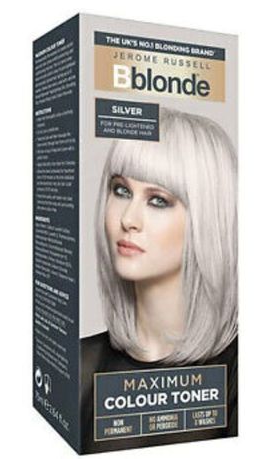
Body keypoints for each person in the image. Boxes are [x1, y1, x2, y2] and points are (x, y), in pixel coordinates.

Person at [81, 108, 238, 452]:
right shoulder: (79, 366)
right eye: (121, 190)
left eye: (157, 200)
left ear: (207, 219)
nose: (128, 219)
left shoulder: (239, 375)